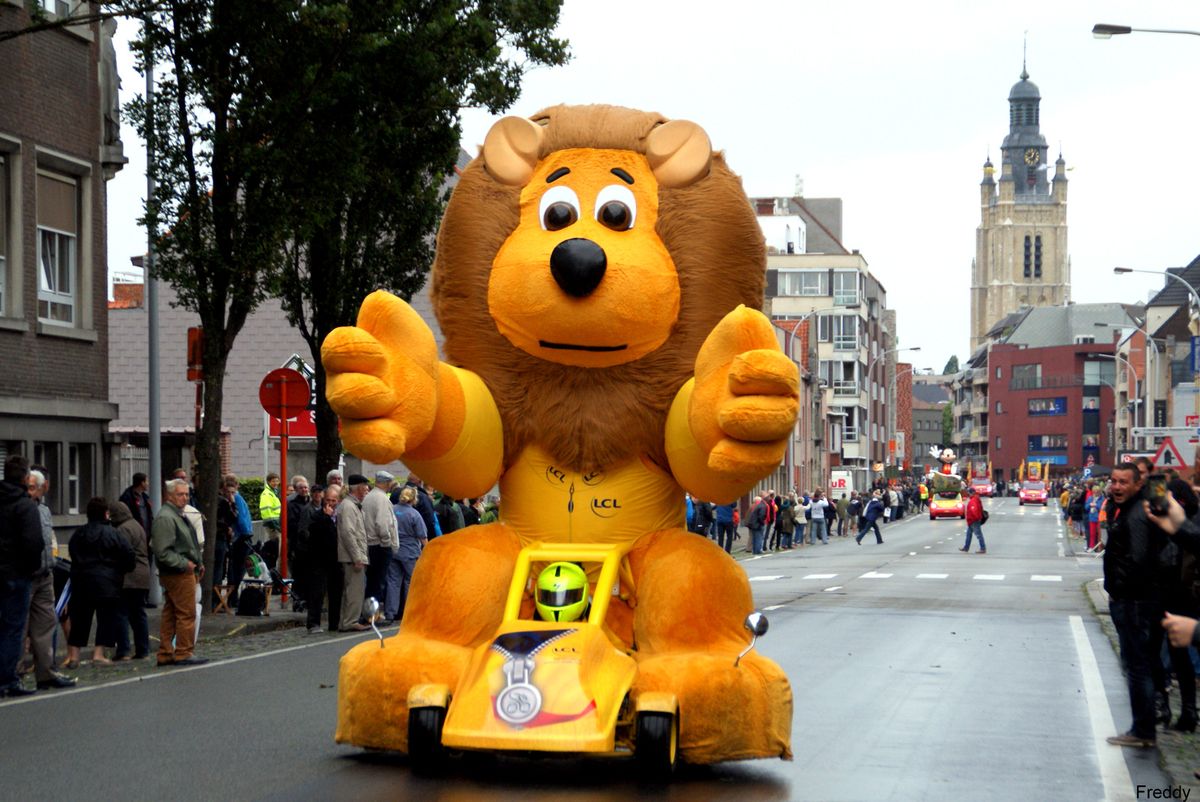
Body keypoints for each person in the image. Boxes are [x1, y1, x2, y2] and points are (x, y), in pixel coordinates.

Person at [1102, 463, 1167, 748]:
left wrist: (1122, 591)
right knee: (1142, 663)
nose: (1116, 487)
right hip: (1136, 599)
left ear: (1138, 485)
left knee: (1137, 666)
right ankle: (1143, 728)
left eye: (1123, 482)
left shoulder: (1137, 513)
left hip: (1134, 601)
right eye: (1114, 481)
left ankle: (1142, 730)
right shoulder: (1130, 509)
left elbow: (1139, 559)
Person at [65, 498, 135, 668]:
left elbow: (72, 553)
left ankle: (74, 655)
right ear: (106, 513)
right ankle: (99, 653)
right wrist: (119, 571)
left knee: (80, 618)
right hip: (108, 583)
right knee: (106, 619)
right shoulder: (113, 533)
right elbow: (129, 556)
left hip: (82, 581)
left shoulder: (79, 534)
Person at [22, 470, 75, 688]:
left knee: (46, 623)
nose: (30, 492)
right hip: (24, 575)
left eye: (34, 487)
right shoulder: (19, 509)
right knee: (20, 626)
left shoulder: (44, 510)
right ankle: (14, 674)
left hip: (45, 574)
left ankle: (47, 672)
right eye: (28, 487)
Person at [1, 455, 47, 697]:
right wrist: (30, 569)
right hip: (17, 573)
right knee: (12, 629)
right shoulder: (25, 505)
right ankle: (7, 679)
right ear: (26, 477)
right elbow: (33, 542)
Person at [151, 479, 207, 667]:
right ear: (169, 496)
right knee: (186, 613)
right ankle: (183, 651)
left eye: (186, 494)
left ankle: (166, 652)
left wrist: (197, 563)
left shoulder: (176, 515)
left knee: (171, 612)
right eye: (180, 494)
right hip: (177, 572)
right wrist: (186, 564)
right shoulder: (167, 517)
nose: (184, 498)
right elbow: (163, 551)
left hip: (181, 569)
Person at [110, 500, 151, 661]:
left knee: (122, 613)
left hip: (129, 577)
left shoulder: (122, 529)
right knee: (139, 614)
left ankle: (124, 650)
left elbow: (121, 553)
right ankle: (143, 649)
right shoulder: (136, 525)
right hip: (142, 575)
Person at [386, 486, 428, 623]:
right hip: (410, 552)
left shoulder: (392, 510)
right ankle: (409, 612)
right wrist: (427, 550)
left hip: (393, 550)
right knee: (411, 582)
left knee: (393, 581)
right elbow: (422, 536)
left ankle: (390, 612)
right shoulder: (414, 514)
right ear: (414, 499)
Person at [337, 475, 371, 632]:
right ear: (358, 488)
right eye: (364, 487)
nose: (366, 490)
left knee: (354, 590)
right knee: (354, 591)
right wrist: (357, 556)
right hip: (352, 557)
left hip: (354, 555)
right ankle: (350, 621)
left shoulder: (352, 505)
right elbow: (348, 533)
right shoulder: (349, 506)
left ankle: (349, 620)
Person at [304, 487, 341, 634]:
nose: (331, 503)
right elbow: (315, 533)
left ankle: (334, 623)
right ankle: (313, 623)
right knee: (317, 593)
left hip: (336, 559)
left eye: (334, 500)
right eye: (328, 500)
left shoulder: (340, 516)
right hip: (319, 559)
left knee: (336, 592)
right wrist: (326, 518)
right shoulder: (317, 516)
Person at [363, 471, 399, 609]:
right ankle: (374, 615)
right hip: (380, 546)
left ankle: (368, 613)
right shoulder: (382, 499)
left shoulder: (369, 497)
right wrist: (387, 542)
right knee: (378, 583)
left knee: (372, 582)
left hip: (370, 544)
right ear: (387, 483)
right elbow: (382, 524)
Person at [224, 475, 254, 608]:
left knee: (235, 569)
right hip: (243, 536)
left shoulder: (234, 498)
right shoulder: (237, 498)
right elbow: (242, 518)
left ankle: (232, 597)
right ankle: (233, 598)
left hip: (239, 536)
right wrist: (247, 532)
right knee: (238, 569)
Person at [286, 476, 313, 611]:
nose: (304, 490)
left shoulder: (311, 503)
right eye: (302, 488)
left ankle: (307, 599)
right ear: (296, 489)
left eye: (306, 487)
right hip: (298, 544)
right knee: (298, 574)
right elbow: (291, 525)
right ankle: (297, 600)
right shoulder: (292, 505)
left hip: (309, 544)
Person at [118, 473, 153, 538]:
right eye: (146, 481)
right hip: (134, 534)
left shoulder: (145, 497)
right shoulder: (127, 498)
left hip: (146, 534)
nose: (148, 484)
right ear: (142, 483)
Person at [959, 487, 986, 554]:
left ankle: (983, 548)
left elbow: (974, 510)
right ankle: (966, 547)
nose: (968, 494)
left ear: (971, 493)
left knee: (978, 535)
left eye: (969, 493)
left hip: (973, 520)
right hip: (973, 520)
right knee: (969, 534)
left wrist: (975, 518)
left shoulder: (973, 500)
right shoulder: (976, 499)